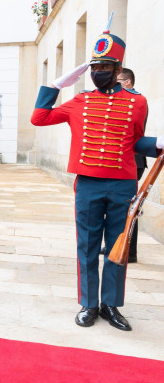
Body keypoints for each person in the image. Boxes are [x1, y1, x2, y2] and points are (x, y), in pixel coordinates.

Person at [31, 28, 163, 331]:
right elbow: (39, 118)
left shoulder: (137, 101)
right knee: (88, 245)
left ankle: (111, 305)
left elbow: (135, 142)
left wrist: (156, 144)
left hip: (122, 183)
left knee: (118, 246)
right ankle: (88, 304)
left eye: (105, 68)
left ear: (118, 70)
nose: (99, 73)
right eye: (95, 68)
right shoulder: (80, 101)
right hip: (88, 183)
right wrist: (55, 85)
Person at [100, 68, 145, 263]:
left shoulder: (136, 101)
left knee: (129, 209)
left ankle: (127, 250)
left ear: (126, 82)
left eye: (118, 80)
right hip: (126, 161)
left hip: (131, 161)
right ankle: (119, 245)